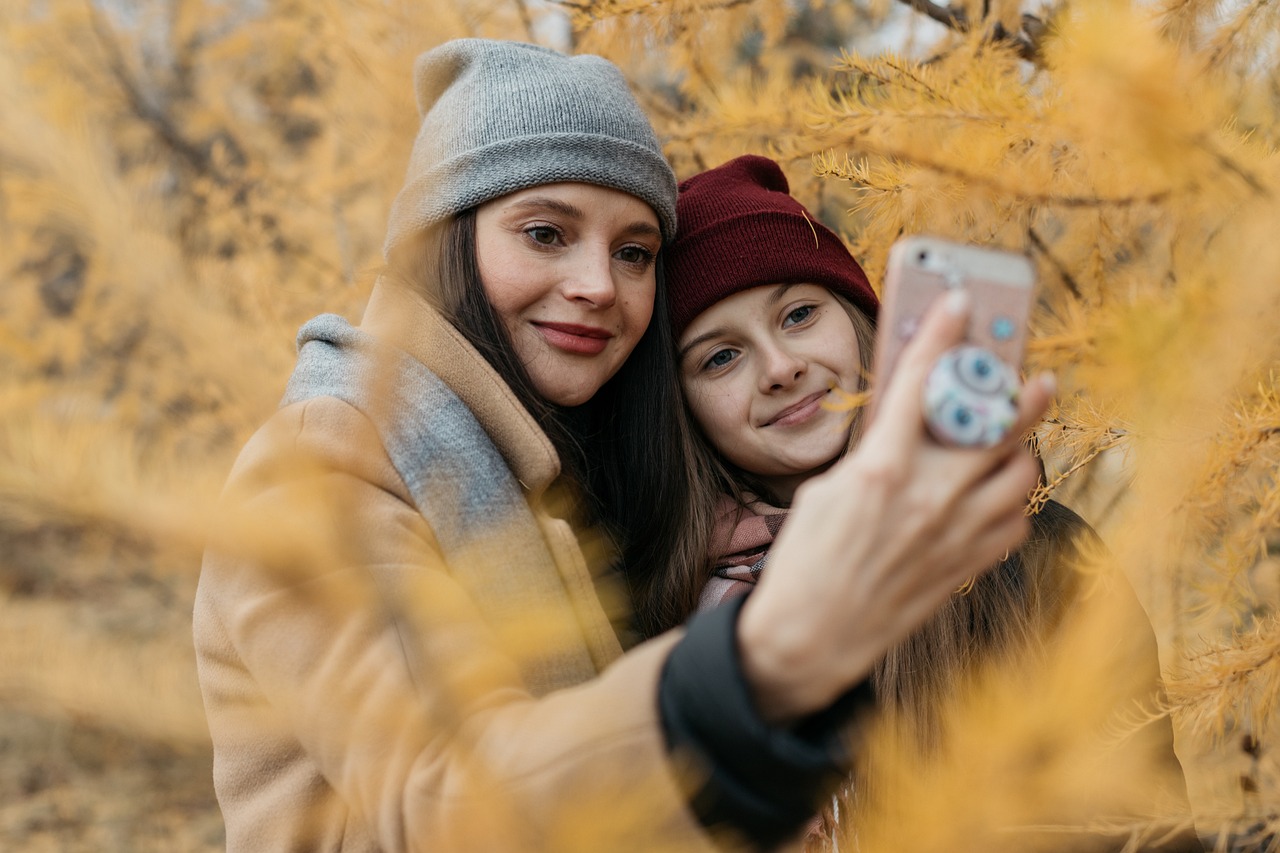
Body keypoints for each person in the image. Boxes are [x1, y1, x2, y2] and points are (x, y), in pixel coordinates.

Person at [193, 41, 1051, 852]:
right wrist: (756, 661)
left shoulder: (562, 479)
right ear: (442, 242)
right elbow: (446, 802)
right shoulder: (329, 460)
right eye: (545, 233)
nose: (598, 284)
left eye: (634, 251)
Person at [660, 154, 1202, 851]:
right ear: (683, 411)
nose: (780, 367)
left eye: (799, 314)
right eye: (720, 357)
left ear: (863, 322)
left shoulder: (1029, 552)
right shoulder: (666, 608)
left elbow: (1149, 822)